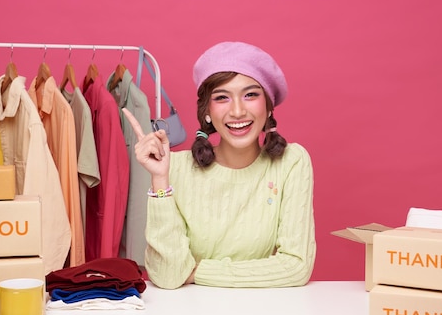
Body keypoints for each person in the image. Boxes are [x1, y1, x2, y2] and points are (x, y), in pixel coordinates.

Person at [122, 41, 316, 289]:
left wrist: (196, 271)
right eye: (222, 97)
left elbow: (296, 268)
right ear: (207, 112)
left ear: (268, 107)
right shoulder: (176, 167)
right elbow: (168, 276)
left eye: (251, 95)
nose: (237, 111)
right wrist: (160, 180)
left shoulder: (291, 162)